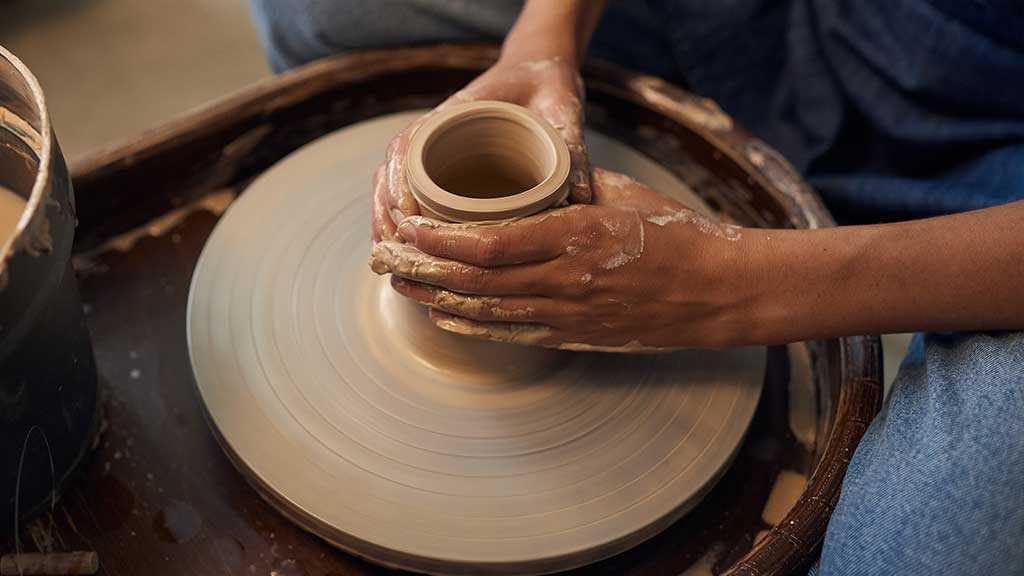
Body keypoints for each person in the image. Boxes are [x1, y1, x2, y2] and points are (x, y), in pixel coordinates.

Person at [249, 1, 1024, 573]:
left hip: (997, 170)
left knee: (922, 549)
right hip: (808, 21)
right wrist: (546, 37)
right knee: (316, 12)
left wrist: (734, 288)